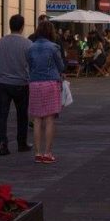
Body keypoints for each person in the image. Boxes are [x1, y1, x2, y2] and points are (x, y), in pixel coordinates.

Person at [0, 14, 33, 156]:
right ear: (22, 27)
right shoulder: (28, 44)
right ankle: (22, 143)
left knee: (2, 115)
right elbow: (31, 65)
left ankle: (2, 144)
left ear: (10, 26)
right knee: (22, 115)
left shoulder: (0, 43)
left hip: (3, 83)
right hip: (21, 83)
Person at [28, 21, 65, 164]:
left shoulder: (30, 47)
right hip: (50, 83)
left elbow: (29, 65)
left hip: (35, 83)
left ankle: (37, 153)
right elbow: (61, 66)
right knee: (49, 119)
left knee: (37, 119)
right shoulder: (54, 47)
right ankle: (48, 153)